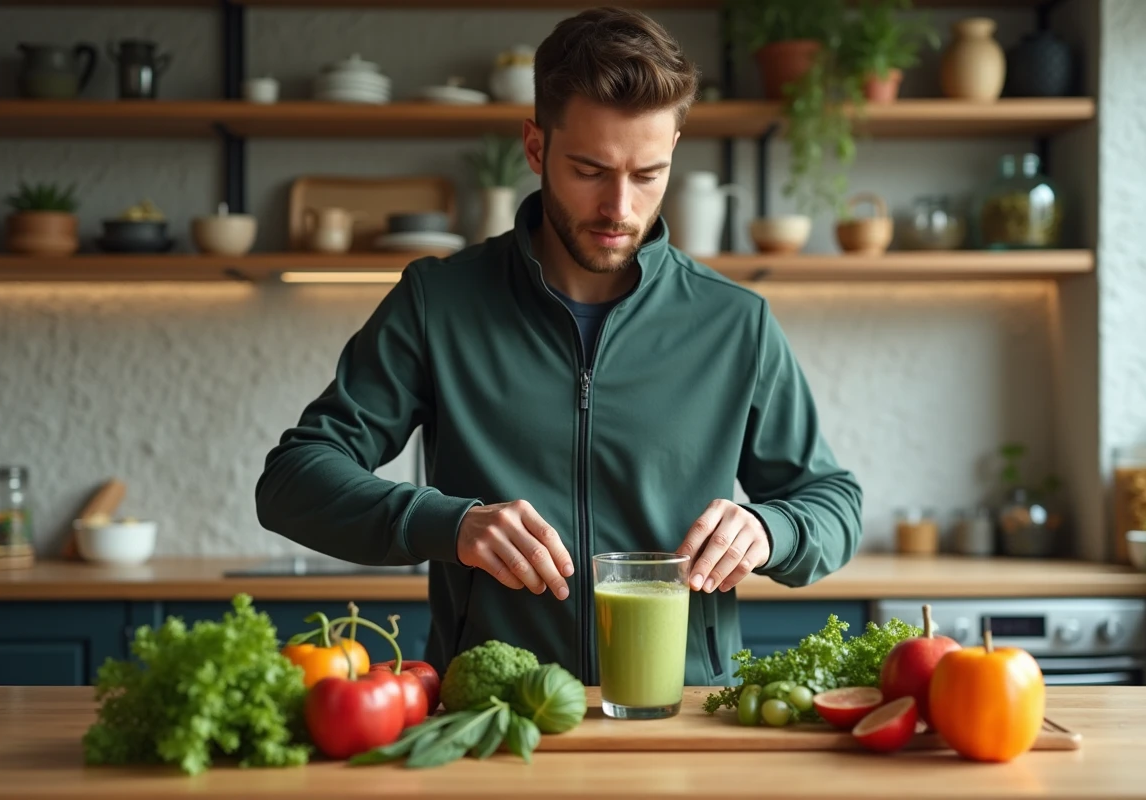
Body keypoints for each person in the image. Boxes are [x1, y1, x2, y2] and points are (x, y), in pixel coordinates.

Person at [255, 6, 863, 686]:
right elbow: (292, 480)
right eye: (590, 170)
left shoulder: (735, 322)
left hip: (676, 713)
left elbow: (832, 502)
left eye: (647, 175)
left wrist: (771, 530)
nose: (620, 208)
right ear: (536, 148)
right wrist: (448, 523)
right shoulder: (439, 303)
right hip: (494, 710)